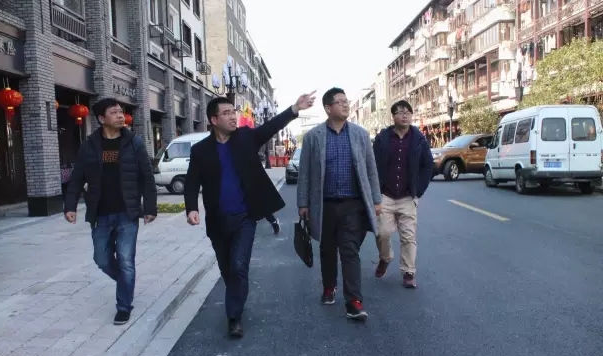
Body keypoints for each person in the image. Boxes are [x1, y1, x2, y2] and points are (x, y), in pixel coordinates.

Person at [184, 92, 316, 338]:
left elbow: (271, 127)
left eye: (233, 112)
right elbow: (191, 181)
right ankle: (235, 295)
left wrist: (294, 108)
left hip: (245, 217)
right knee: (227, 269)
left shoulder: (246, 137)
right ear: (214, 120)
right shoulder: (201, 150)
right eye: (226, 113)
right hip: (217, 220)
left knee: (238, 266)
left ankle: (234, 317)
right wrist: (191, 207)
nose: (233, 116)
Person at [64, 98, 157, 325]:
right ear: (101, 118)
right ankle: (126, 282)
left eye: (121, 112)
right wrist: (70, 206)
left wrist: (150, 208)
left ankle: (123, 306)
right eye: (114, 112)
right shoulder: (89, 146)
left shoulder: (134, 143)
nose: (120, 115)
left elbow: (147, 177)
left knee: (126, 261)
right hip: (101, 213)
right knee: (102, 259)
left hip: (127, 213)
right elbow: (77, 178)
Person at [297, 87, 382, 321]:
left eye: (346, 101)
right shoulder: (313, 137)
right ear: (328, 108)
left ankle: (354, 301)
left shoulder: (360, 134)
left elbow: (371, 170)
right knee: (327, 249)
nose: (345, 105)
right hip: (324, 205)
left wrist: (376, 199)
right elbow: (305, 173)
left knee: (349, 250)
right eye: (340, 101)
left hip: (352, 205)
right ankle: (329, 286)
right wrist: (303, 203)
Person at [372, 100, 433, 288]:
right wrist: (375, 192)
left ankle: (408, 272)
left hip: (408, 196)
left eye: (407, 112)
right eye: (400, 112)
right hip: (385, 195)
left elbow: (428, 166)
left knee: (408, 236)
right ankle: (385, 257)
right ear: (393, 116)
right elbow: (372, 165)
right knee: (382, 233)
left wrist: (418, 191)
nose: (404, 115)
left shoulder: (419, 139)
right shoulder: (382, 139)